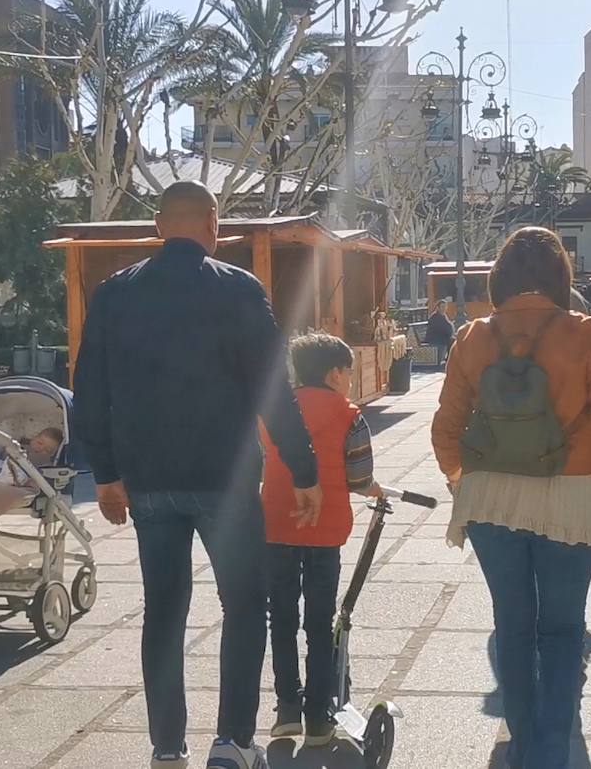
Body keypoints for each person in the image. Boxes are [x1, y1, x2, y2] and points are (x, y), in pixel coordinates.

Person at [72, 180, 322, 769]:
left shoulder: (114, 293)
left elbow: (90, 389)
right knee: (244, 603)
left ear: (159, 226)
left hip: (148, 477)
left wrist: (105, 473)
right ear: (214, 224)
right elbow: (271, 388)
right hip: (225, 478)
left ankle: (166, 746)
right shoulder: (238, 289)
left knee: (164, 609)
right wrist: (303, 466)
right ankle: (233, 740)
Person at [431, 227, 591, 769]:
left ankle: (522, 744)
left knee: (513, 625)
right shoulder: (585, 332)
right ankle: (550, 751)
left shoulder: (472, 336)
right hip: (572, 497)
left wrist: (462, 484)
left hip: (492, 501)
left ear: (500, 278)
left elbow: (445, 432)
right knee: (564, 630)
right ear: (559, 278)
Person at [261, 333, 382, 746]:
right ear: (336, 373)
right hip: (326, 529)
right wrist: (377, 490)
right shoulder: (350, 414)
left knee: (281, 617)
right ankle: (318, 716)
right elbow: (361, 477)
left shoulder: (277, 411)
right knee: (319, 620)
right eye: (348, 373)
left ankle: (286, 709)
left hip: (276, 522)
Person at [425, 298, 455, 367]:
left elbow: (449, 326)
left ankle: (450, 360)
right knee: (452, 341)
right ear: (438, 308)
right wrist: (450, 332)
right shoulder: (435, 317)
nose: (444, 308)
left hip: (442, 337)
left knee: (453, 340)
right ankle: (449, 360)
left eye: (445, 307)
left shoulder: (443, 316)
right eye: (442, 307)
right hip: (435, 338)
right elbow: (444, 328)